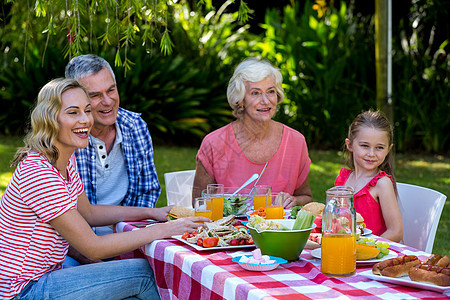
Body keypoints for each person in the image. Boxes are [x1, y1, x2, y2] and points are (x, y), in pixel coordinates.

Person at [0, 78, 206, 300]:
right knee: (145, 273)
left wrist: (152, 213)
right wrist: (167, 229)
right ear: (50, 120)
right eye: (73, 112)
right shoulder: (40, 174)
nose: (85, 120)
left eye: (87, 110)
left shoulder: (63, 160)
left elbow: (88, 213)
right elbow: (93, 247)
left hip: (47, 274)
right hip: (23, 290)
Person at [192, 58, 313, 209]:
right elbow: (199, 204)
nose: (265, 100)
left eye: (271, 91)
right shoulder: (214, 143)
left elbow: (306, 197)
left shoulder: (296, 142)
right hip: (226, 231)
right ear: (241, 99)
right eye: (255, 93)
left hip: (276, 230)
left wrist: (295, 201)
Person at [65, 54, 160, 237]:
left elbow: (147, 191)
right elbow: (61, 220)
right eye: (95, 95)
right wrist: (94, 259)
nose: (107, 101)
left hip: (124, 238)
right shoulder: (66, 138)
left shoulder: (135, 126)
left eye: (111, 90)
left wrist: (130, 241)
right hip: (73, 247)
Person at [335, 110, 403, 242]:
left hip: (375, 255)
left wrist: (363, 246)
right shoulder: (343, 179)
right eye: (365, 146)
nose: (371, 153)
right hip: (347, 249)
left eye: (379, 148)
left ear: (388, 149)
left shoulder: (382, 184)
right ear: (349, 145)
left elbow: (396, 232)